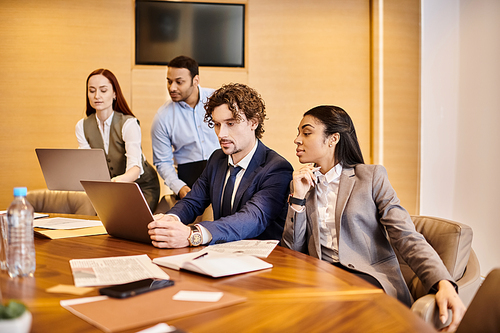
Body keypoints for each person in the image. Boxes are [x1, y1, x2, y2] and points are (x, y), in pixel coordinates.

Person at [282, 105, 466, 332]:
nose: (297, 140)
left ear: (333, 139)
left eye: (306, 132)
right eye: (298, 133)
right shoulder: (303, 183)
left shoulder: (370, 177)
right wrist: (298, 199)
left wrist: (443, 283)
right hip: (322, 280)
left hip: (366, 279)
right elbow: (292, 250)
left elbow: (406, 236)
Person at [148, 83, 293, 248]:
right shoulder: (217, 158)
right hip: (221, 254)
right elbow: (193, 201)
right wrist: (169, 220)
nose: (221, 134)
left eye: (230, 124)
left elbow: (251, 218)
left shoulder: (277, 168)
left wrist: (193, 234)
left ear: (253, 123)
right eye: (217, 124)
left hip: (265, 259)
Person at [76, 68, 160, 211]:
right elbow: (89, 166)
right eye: (92, 90)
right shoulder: (82, 126)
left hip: (141, 186)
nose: (97, 96)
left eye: (103, 90)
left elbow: (134, 167)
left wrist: (113, 183)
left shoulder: (129, 124)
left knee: (130, 222)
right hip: (112, 188)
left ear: (114, 93)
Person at [151, 55, 220, 199]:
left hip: (223, 168)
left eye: (179, 82)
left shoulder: (218, 101)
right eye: (169, 82)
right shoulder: (162, 117)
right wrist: (179, 187)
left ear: (195, 80)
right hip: (190, 177)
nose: (172, 88)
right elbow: (163, 162)